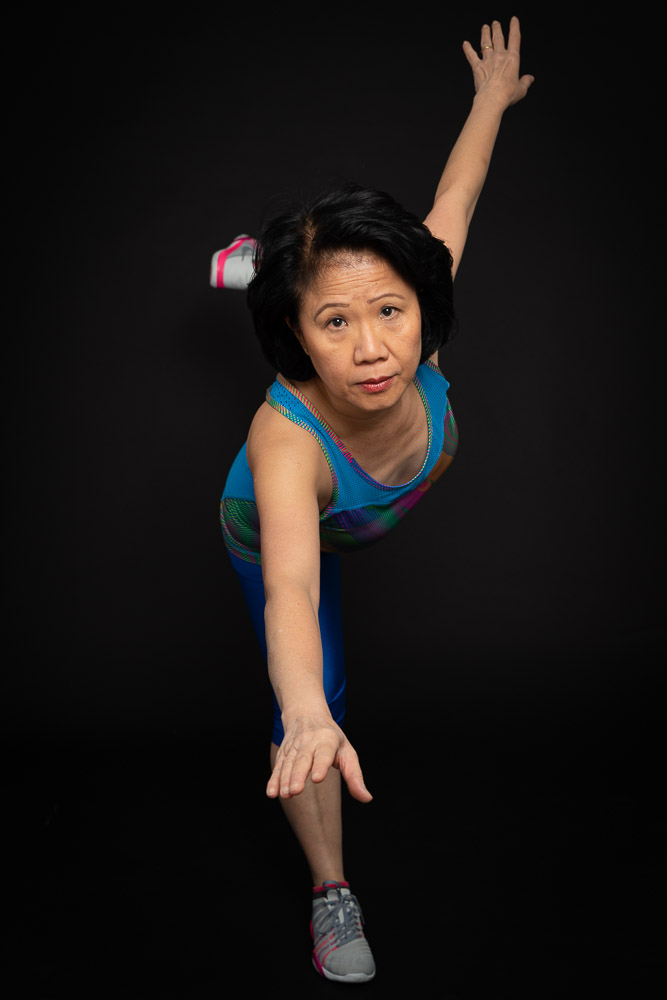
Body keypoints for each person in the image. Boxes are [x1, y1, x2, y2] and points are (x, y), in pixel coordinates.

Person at [214, 18, 533, 984]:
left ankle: (267, 268)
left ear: (421, 308)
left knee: (348, 275)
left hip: (350, 481)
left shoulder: (413, 320)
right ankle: (330, 891)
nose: (370, 351)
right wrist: (305, 711)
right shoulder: (281, 446)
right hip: (280, 528)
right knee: (314, 701)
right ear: (299, 340)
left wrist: (489, 98)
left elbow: (455, 197)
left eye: (389, 311)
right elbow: (290, 591)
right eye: (333, 324)